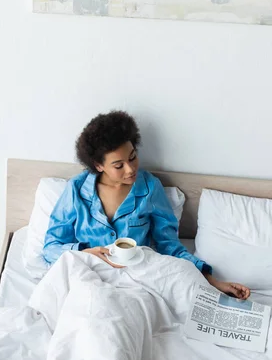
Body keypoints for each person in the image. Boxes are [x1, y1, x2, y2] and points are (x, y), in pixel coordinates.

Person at [43, 110, 250, 300]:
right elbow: (51, 247)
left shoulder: (150, 187)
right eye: (118, 165)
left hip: (137, 281)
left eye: (133, 157)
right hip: (88, 276)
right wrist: (86, 253)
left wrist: (211, 282)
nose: (130, 168)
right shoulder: (76, 190)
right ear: (99, 166)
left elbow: (169, 245)